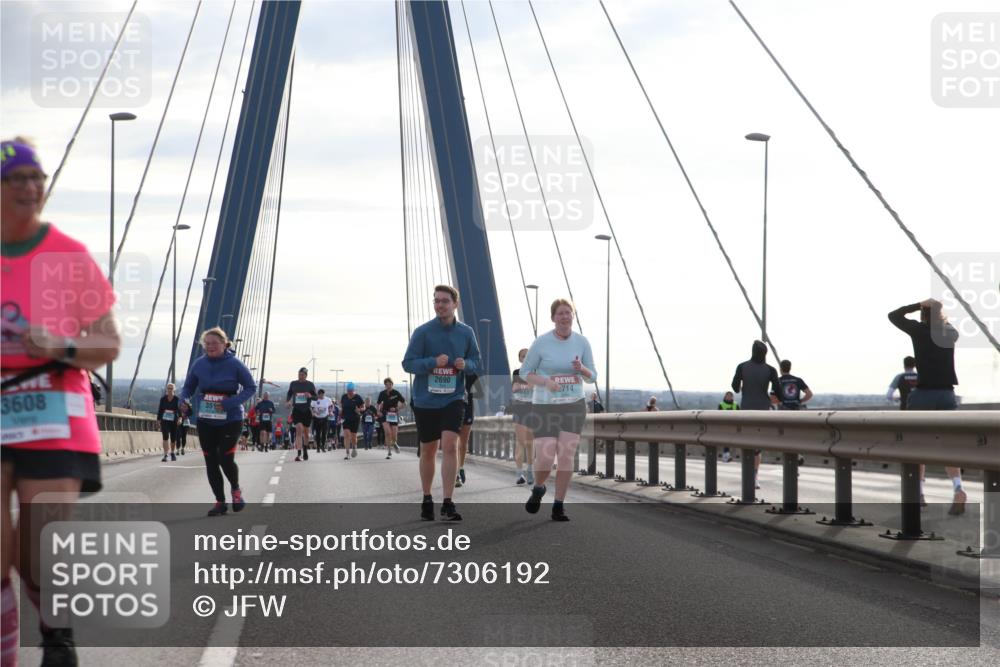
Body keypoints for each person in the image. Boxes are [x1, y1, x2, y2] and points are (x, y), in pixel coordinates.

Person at [1, 136, 121, 664]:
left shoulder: (68, 256)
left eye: (37, 178)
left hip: (53, 409)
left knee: (39, 550)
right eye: (15, 179)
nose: (30, 187)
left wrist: (60, 344)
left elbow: (108, 342)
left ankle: (55, 630)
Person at [402, 285, 481, 521]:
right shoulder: (422, 332)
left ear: (455, 304)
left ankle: (448, 501)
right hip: (426, 400)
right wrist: (432, 362)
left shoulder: (466, 333)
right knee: (428, 450)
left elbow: (476, 361)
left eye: (445, 301)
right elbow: (408, 364)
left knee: (449, 445)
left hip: (453, 398)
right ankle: (427, 498)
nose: (440, 305)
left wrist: (465, 365)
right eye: (436, 301)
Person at [521, 299, 597, 522]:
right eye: (560, 314)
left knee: (566, 456)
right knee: (545, 457)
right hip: (545, 406)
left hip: (573, 405)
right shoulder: (542, 342)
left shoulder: (582, 342)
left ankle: (558, 505)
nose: (565, 317)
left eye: (568, 313)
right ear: (553, 317)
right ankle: (538, 487)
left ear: (573, 316)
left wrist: (581, 369)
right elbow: (526, 373)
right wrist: (545, 382)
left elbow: (593, 376)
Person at [889, 298, 964, 513]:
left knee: (917, 445)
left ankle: (919, 491)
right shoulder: (949, 332)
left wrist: (917, 305)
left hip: (924, 394)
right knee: (949, 445)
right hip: (947, 393)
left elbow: (893, 315)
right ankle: (958, 489)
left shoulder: (918, 330)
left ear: (923, 314)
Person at [180, 327, 256, 516]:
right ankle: (220, 502)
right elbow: (189, 386)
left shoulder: (235, 364)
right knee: (210, 461)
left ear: (224, 344)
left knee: (225, 457)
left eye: (214, 343)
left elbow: (251, 387)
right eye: (207, 344)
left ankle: (236, 490)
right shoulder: (199, 364)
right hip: (206, 419)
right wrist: (184, 399)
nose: (210, 346)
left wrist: (230, 403)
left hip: (231, 418)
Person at [731, 340, 779, 489]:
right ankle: (754, 475)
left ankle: (748, 474)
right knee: (757, 446)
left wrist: (743, 385)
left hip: (746, 409)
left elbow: (735, 388)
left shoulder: (742, 366)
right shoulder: (771, 370)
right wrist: (770, 396)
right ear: (765, 354)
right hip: (763, 410)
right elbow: (779, 392)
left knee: (747, 442)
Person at [511, 348, 535, 485]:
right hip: (519, 408)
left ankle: (530, 471)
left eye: (528, 356)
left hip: (532, 408)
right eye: (523, 356)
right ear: (520, 359)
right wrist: (528, 386)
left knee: (531, 443)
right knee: (521, 441)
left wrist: (523, 385)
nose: (525, 358)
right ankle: (519, 474)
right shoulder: (516, 373)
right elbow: (514, 388)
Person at [286, 367, 317, 462]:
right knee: (299, 430)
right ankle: (299, 454)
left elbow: (316, 397)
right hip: (297, 410)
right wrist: (288, 401)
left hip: (306, 411)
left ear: (306, 375)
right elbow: (289, 393)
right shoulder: (293, 383)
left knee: (306, 434)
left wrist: (310, 396)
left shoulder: (310, 385)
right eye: (299, 374)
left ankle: (305, 450)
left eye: (302, 375)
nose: (300, 376)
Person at [455, 373, 479, 488]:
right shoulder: (451, 371)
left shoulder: (472, 375)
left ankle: (461, 467)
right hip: (454, 409)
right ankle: (456, 474)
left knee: (463, 444)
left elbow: (480, 393)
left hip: (468, 410)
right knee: (454, 443)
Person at [377, 377, 406, 457]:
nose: (388, 386)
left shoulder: (396, 393)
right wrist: (378, 411)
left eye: (389, 384)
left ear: (392, 385)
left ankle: (394, 443)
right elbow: (378, 404)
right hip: (384, 414)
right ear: (385, 386)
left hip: (394, 415)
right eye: (386, 385)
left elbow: (404, 404)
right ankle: (389, 451)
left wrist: (397, 408)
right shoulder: (382, 393)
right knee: (388, 432)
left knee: (394, 435)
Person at [157, 383, 181, 462]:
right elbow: (160, 410)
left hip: (174, 421)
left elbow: (180, 411)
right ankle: (165, 454)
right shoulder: (163, 399)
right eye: (168, 388)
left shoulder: (177, 399)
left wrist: (180, 419)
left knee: (173, 438)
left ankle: (172, 453)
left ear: (174, 390)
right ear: (166, 389)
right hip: (165, 420)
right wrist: (158, 420)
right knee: (165, 436)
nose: (169, 390)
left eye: (171, 388)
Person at [340, 382, 364, 459]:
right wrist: (341, 412)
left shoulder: (358, 397)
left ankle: (354, 447)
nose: (349, 392)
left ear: (354, 390)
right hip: (345, 419)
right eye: (348, 390)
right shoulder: (344, 397)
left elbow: (363, 408)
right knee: (346, 435)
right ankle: (347, 453)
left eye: (351, 390)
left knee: (353, 436)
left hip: (355, 419)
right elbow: (342, 406)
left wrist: (359, 409)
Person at [717, 391, 739, 462]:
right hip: (725, 425)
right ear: (725, 397)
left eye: (731, 396)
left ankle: (727, 455)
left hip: (734, 425)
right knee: (726, 441)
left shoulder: (736, 405)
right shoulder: (721, 404)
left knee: (732, 441)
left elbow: (740, 414)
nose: (729, 397)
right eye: (728, 396)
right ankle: (726, 455)